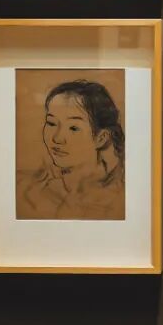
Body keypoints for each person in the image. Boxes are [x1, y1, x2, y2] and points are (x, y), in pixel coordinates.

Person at [16, 80, 125, 220]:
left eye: (73, 128)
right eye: (51, 123)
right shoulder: (27, 188)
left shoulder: (117, 199)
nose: (57, 138)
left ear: (101, 138)